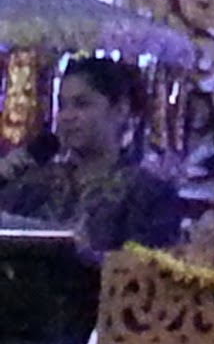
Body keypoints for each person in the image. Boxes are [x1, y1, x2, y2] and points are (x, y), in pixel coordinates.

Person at [0, 55, 183, 257]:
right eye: (63, 105)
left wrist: (87, 256)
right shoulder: (34, 183)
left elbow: (151, 266)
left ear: (120, 109)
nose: (67, 116)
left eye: (82, 104)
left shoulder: (149, 193)